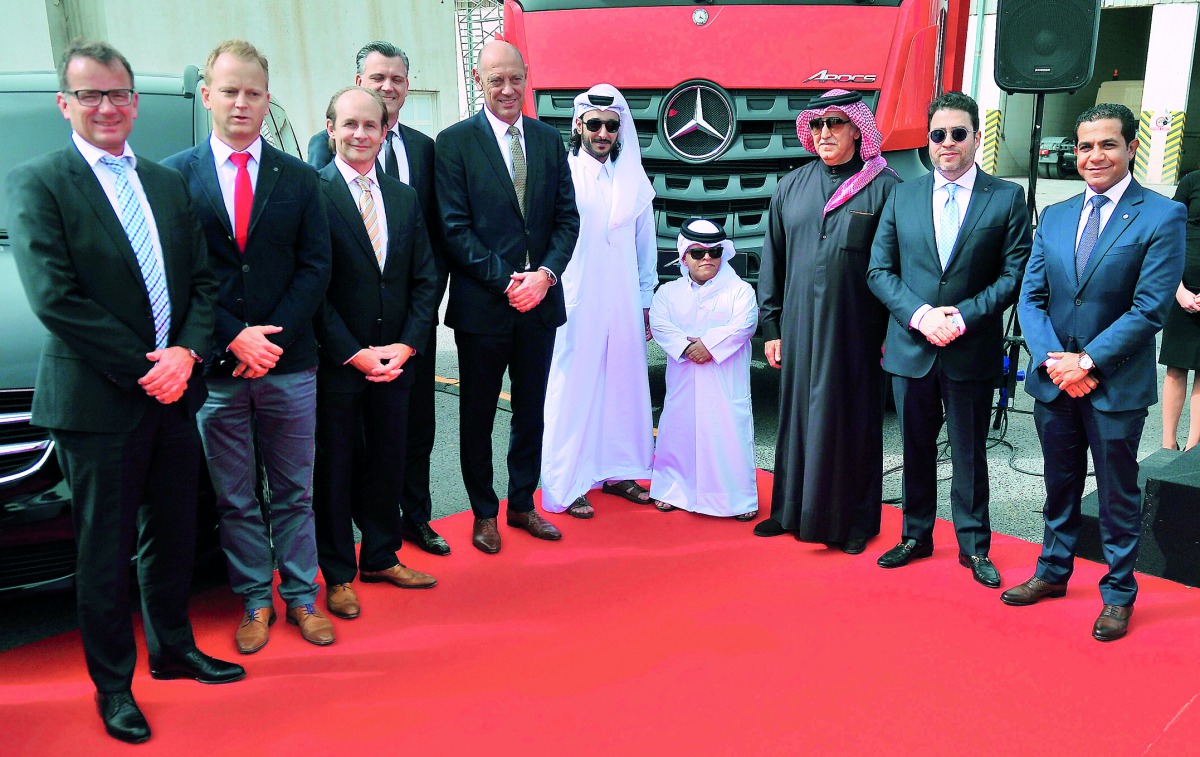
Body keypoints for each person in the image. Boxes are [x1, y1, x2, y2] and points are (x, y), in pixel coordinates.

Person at [7, 39, 243, 744]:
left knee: (172, 537)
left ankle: (173, 649)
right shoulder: (38, 181)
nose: (106, 107)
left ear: (134, 101)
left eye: (117, 94)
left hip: (174, 394)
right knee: (103, 554)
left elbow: (202, 283)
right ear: (65, 104)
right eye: (90, 95)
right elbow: (57, 299)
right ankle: (114, 686)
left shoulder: (166, 185)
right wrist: (150, 365)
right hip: (99, 400)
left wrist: (187, 354)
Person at [164, 40, 334, 651]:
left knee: (295, 490)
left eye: (253, 92)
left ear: (267, 100)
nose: (241, 102)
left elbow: (316, 266)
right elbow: (177, 273)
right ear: (207, 94)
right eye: (230, 90)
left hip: (290, 364)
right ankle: (255, 602)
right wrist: (232, 337)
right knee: (235, 497)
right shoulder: (174, 176)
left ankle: (302, 598)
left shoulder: (300, 177)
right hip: (217, 369)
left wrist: (269, 339)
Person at [1007, 103, 1185, 642]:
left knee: (1116, 494)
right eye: (1085, 146)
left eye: (1107, 144)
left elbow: (1150, 307)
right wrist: (1054, 361)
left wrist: (1085, 363)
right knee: (1058, 484)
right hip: (1055, 378)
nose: (1094, 156)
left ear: (1132, 147)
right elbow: (1031, 298)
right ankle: (1053, 572)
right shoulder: (1057, 215)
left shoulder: (1160, 215)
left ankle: (1119, 594)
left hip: (1115, 382)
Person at [867, 91, 1032, 589]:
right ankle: (915, 535)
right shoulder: (903, 194)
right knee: (915, 449)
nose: (947, 144)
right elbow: (879, 270)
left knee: (969, 452)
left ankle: (974, 545)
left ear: (978, 138)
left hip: (970, 347)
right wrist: (921, 316)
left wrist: (961, 317)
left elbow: (1014, 273)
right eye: (938, 134)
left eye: (958, 133)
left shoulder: (1005, 197)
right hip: (912, 348)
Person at [434, 40, 579, 553]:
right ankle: (483, 512)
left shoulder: (548, 140)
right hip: (483, 308)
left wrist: (544, 275)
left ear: (527, 77)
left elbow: (567, 220)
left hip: (539, 304)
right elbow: (453, 229)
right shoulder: (453, 143)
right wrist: (507, 281)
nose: (506, 88)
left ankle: (522, 504)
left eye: (514, 78)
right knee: (475, 416)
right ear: (479, 80)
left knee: (531, 411)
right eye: (495, 79)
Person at [307, 42, 451, 555]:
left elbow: (428, 247)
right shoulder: (319, 166)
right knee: (344, 452)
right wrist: (350, 346)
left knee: (411, 434)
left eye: (397, 79)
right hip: (346, 342)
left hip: (408, 333)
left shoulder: (423, 151)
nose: (387, 87)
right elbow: (319, 266)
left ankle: (410, 524)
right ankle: (345, 551)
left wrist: (413, 336)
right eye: (377, 78)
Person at [755, 89, 901, 553]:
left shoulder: (886, 188)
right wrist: (772, 328)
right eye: (817, 125)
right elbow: (772, 261)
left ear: (858, 128)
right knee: (796, 419)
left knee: (850, 421)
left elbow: (898, 268)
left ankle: (855, 524)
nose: (824, 134)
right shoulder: (790, 186)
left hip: (857, 330)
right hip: (798, 327)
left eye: (835, 123)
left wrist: (891, 333)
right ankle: (789, 511)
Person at [540, 83, 657, 519]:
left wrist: (645, 299)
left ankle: (619, 470)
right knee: (573, 388)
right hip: (574, 298)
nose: (603, 133)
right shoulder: (562, 173)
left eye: (612, 125)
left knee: (623, 383)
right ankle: (566, 483)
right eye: (595, 124)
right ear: (579, 126)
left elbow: (646, 246)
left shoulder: (633, 180)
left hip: (623, 299)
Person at [649, 219, 759, 519]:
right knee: (679, 433)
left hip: (724, 381)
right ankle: (672, 490)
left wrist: (709, 345)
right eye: (698, 253)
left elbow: (745, 324)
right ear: (684, 256)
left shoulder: (740, 291)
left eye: (713, 252)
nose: (707, 258)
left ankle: (736, 500)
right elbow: (659, 323)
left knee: (727, 437)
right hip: (684, 377)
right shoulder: (668, 292)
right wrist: (687, 348)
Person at [1159, 169, 1200, 450]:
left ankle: (1192, 446)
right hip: (1181, 286)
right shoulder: (1192, 181)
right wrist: (1178, 289)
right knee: (1176, 367)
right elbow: (1169, 231)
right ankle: (1167, 444)